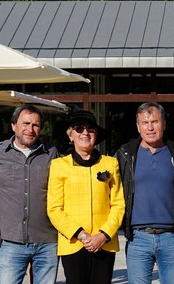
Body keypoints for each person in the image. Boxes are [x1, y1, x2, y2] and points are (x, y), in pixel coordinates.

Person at [114, 102, 174, 284]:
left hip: (172, 237)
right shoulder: (125, 155)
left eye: (155, 122)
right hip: (138, 238)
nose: (150, 127)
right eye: (145, 123)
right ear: (138, 127)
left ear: (163, 124)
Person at [47, 110, 125, 283]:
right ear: (71, 135)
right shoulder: (58, 165)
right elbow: (54, 208)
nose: (85, 132)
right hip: (74, 243)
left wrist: (103, 235)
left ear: (96, 135)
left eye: (90, 129)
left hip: (104, 243)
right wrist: (81, 235)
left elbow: (118, 204)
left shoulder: (111, 163)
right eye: (79, 128)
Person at [0, 104, 60, 283]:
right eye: (26, 123)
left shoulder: (52, 154)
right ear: (13, 125)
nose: (30, 129)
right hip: (11, 241)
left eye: (35, 125)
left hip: (47, 241)